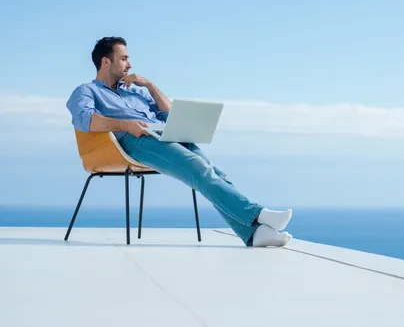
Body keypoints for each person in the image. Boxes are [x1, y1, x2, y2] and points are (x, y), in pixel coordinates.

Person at [66, 36, 292, 247]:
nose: (130, 64)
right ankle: (257, 214)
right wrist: (126, 125)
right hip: (134, 141)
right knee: (198, 168)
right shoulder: (87, 91)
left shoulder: (135, 93)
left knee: (214, 173)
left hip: (162, 135)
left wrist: (150, 86)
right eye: (124, 58)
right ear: (106, 62)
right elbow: (85, 120)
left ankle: (253, 234)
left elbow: (170, 114)